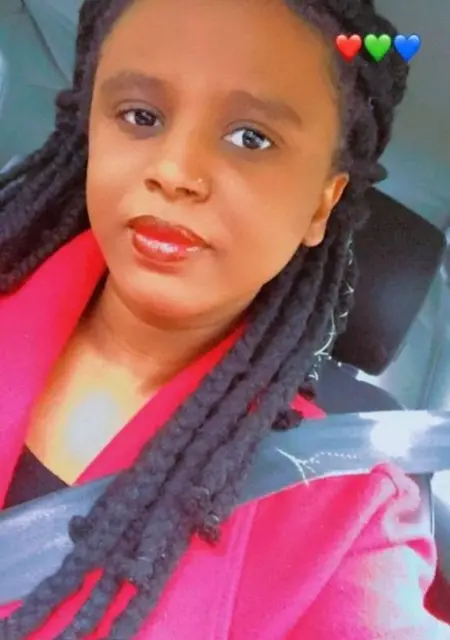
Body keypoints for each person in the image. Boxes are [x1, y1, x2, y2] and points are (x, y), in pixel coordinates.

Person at [0, 0, 448, 638]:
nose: (173, 171)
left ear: (321, 206)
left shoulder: (346, 519)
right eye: (140, 116)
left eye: (251, 138)